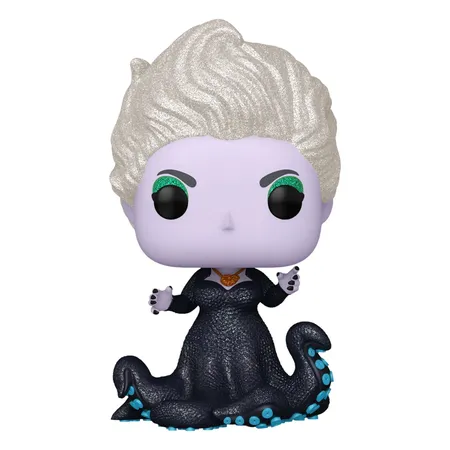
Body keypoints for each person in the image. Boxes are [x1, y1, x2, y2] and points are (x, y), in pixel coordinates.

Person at [110, 19, 340, 430]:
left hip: (255, 355)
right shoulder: (202, 282)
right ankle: (198, 404)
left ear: (324, 206)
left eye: (283, 200)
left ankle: (239, 404)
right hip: (200, 357)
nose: (228, 222)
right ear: (132, 209)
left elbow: (270, 299)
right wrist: (168, 303)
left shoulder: (253, 281)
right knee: (193, 391)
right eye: (173, 199)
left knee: (257, 388)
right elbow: (186, 303)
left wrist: (283, 288)